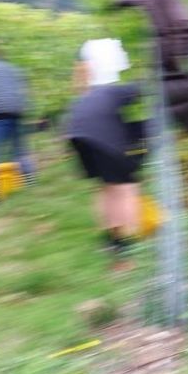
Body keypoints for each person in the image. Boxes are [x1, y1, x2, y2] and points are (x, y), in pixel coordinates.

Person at [65, 38, 147, 261]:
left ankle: (111, 243)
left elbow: (118, 124)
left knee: (107, 187)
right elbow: (147, 88)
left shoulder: (90, 94)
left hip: (77, 135)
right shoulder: (114, 91)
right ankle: (129, 249)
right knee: (127, 188)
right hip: (99, 137)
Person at [0, 42, 36, 203]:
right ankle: (32, 185)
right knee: (20, 151)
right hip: (16, 113)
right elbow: (22, 90)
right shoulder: (10, 68)